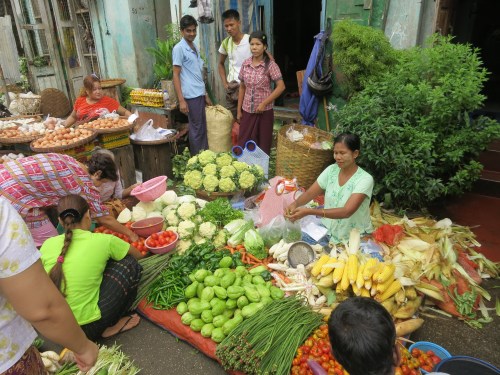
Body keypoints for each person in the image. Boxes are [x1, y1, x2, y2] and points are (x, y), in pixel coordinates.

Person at [0, 197, 98, 374]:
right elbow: (42, 309)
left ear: (59, 221)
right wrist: (83, 347)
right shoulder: (1, 213)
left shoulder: (49, 244)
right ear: (87, 218)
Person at [40, 194, 143, 341]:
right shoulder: (103, 240)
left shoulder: (47, 244)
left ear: (60, 221)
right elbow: (137, 255)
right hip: (88, 329)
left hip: (58, 330)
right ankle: (109, 326)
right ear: (88, 215)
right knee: (130, 264)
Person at [0, 152, 139, 247]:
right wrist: (131, 235)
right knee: (50, 242)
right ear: (97, 174)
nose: (101, 186)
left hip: (6, 176)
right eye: (102, 182)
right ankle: (47, 274)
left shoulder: (72, 162)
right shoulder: (82, 185)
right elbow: (104, 219)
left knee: (42, 238)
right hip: (12, 194)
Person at [285, 133, 374, 243]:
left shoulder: (365, 179)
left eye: (342, 153)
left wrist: (309, 211)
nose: (338, 157)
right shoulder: (331, 170)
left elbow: (347, 211)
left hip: (354, 236)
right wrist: (295, 204)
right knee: (294, 239)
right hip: (328, 231)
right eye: (335, 153)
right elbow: (310, 194)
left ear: (355, 154)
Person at [237, 31, 285, 155]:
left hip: (264, 112)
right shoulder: (246, 64)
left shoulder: (270, 65)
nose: (254, 47)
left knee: (262, 144)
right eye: (252, 44)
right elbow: (242, 87)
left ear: (264, 47)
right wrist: (239, 110)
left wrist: (264, 103)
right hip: (247, 110)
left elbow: (281, 87)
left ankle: (261, 172)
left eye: (258, 44)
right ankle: (244, 170)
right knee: (243, 142)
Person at [172, 15, 212, 155]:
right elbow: (175, 75)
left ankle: (204, 156)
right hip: (191, 94)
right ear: (182, 31)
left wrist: (205, 94)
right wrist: (181, 100)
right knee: (196, 129)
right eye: (188, 31)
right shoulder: (179, 48)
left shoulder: (194, 46)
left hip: (198, 93)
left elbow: (197, 73)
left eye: (194, 30)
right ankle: (198, 158)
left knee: (201, 127)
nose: (192, 34)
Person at [218, 9, 251, 118]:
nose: (229, 29)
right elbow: (220, 64)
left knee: (247, 118)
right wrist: (225, 83)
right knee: (233, 119)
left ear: (239, 23)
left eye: (231, 25)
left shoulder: (250, 41)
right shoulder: (226, 43)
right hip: (232, 88)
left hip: (248, 87)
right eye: (226, 26)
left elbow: (266, 58)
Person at [64, 74, 132, 127]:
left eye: (99, 88)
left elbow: (125, 111)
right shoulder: (80, 101)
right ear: (87, 91)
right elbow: (73, 117)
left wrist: (134, 119)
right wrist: (63, 126)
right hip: (82, 133)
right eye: (94, 89)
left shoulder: (107, 101)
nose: (98, 91)